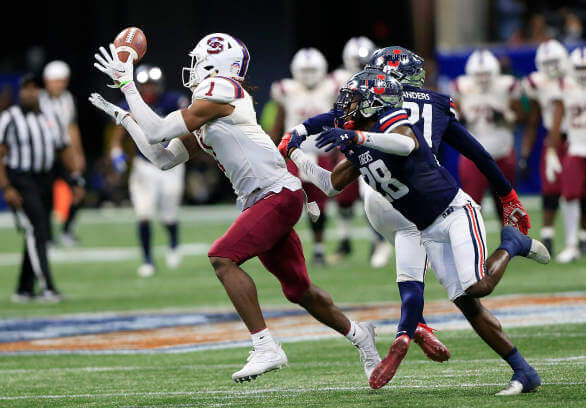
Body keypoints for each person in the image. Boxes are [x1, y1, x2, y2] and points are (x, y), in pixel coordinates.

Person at [89, 33, 380, 383]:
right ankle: (361, 335)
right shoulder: (209, 111)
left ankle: (265, 346)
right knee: (300, 291)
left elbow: (159, 130)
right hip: (266, 198)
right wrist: (125, 118)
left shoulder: (223, 91)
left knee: (222, 257)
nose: (193, 68)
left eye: (198, 61)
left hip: (275, 193)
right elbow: (161, 157)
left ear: (216, 65)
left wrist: (127, 85)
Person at [282, 69, 549, 395]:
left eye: (352, 100)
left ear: (371, 103)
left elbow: (405, 145)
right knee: (467, 304)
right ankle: (524, 371)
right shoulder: (357, 141)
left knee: (477, 285)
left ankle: (512, 242)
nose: (344, 105)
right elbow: (330, 184)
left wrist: (357, 138)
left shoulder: (393, 120)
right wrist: (295, 152)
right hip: (427, 229)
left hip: (455, 213)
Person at [0, 74, 84, 302]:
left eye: (34, 88)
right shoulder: (9, 118)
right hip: (21, 179)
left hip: (45, 179)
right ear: (19, 92)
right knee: (38, 230)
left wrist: (75, 178)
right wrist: (6, 187)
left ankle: (23, 289)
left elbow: (63, 148)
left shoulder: (51, 116)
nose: (30, 93)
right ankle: (47, 287)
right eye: (26, 88)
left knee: (36, 232)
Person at [109, 65, 189, 277]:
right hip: (144, 165)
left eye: (151, 84)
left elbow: (187, 127)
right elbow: (119, 132)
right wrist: (116, 151)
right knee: (143, 214)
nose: (148, 89)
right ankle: (147, 260)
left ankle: (173, 244)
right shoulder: (130, 104)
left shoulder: (172, 101)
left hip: (171, 163)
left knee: (168, 215)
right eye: (144, 85)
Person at [521, 39, 586, 256]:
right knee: (550, 189)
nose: (551, 66)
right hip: (553, 141)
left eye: (555, 61)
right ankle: (549, 235)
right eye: (547, 62)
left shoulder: (577, 77)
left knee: (583, 189)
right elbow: (533, 120)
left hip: (579, 138)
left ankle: (585, 237)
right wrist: (525, 154)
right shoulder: (536, 83)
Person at [269, 48, 337, 266]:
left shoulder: (332, 87)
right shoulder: (286, 90)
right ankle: (280, 247)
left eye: (312, 70)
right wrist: (270, 151)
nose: (308, 74)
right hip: (293, 155)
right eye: (304, 70)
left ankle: (318, 249)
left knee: (318, 205)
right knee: (287, 201)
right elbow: (278, 122)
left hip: (321, 154)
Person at [328, 37, 392, 266]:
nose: (360, 65)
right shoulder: (334, 80)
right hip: (348, 142)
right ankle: (345, 240)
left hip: (372, 141)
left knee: (371, 193)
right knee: (341, 194)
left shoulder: (382, 78)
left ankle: (380, 241)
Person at [548, 46, 586, 264]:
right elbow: (557, 122)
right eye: (579, 68)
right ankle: (572, 244)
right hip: (576, 147)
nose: (583, 72)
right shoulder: (564, 86)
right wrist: (551, 150)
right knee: (570, 196)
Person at [452, 50, 522, 222]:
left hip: (502, 151)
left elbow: (521, 116)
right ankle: (476, 246)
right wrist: (460, 119)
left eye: (486, 74)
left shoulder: (506, 86)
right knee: (472, 204)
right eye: (479, 74)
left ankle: (510, 245)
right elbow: (454, 117)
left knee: (506, 205)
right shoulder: (461, 86)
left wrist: (506, 116)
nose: (483, 78)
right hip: (473, 153)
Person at [39, 60, 86, 246]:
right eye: (55, 81)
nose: (59, 84)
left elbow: (72, 128)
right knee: (45, 196)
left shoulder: (68, 98)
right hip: (46, 155)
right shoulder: (39, 100)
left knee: (79, 190)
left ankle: (67, 230)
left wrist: (79, 154)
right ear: (47, 81)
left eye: (62, 80)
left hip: (66, 153)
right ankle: (48, 236)